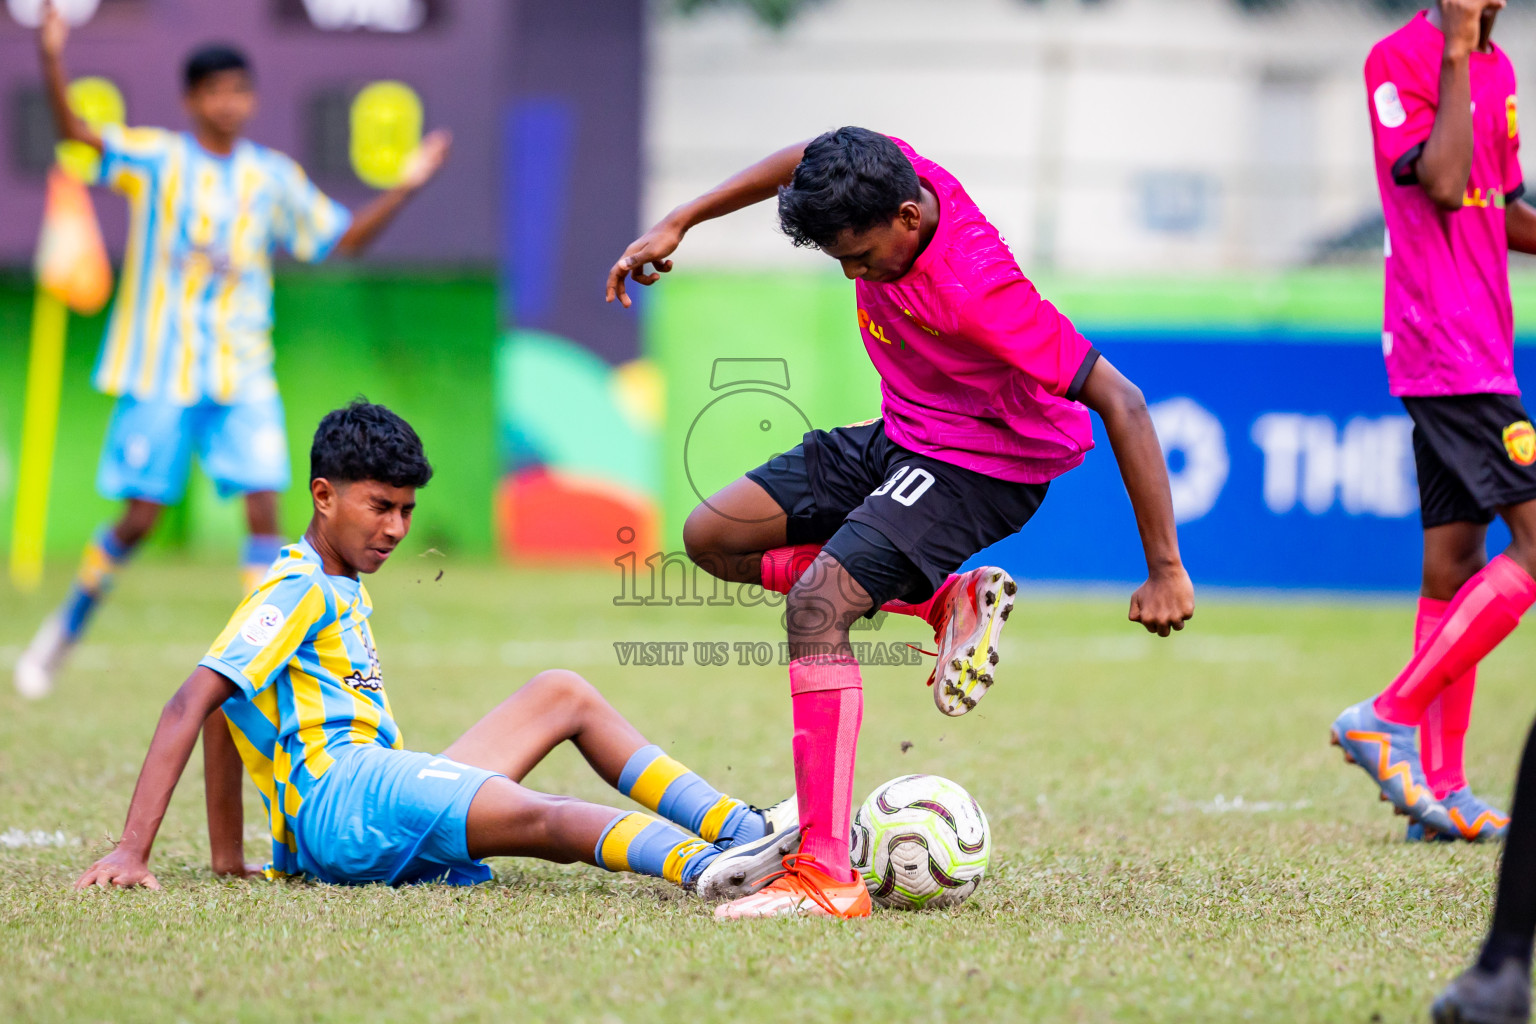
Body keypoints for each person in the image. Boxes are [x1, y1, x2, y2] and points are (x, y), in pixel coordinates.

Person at [606, 127, 1195, 919]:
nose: (853, 273)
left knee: (818, 606)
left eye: (860, 256)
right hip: (907, 432)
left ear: (910, 219)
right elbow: (809, 154)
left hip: (984, 462)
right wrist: (684, 217)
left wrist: (1164, 568)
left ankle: (825, 872)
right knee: (713, 536)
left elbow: (1121, 400)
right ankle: (942, 603)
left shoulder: (981, 293)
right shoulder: (886, 173)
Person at [74, 401, 797, 896]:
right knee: (542, 817)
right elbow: (194, 701)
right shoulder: (296, 588)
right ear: (323, 496)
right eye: (379, 507)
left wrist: (229, 861)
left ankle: (743, 827)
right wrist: (132, 850)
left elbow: (224, 708)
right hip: (348, 801)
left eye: (407, 510)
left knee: (561, 692)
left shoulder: (334, 577)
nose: (395, 528)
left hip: (369, 793)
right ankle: (714, 866)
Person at [14, 0, 451, 699]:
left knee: (263, 510)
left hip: (242, 372)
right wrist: (52, 53)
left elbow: (342, 241)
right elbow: (74, 133)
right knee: (139, 518)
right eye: (218, 91)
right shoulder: (159, 158)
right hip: (161, 368)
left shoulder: (270, 178)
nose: (231, 103)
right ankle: (62, 631)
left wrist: (405, 185)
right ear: (193, 100)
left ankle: (266, 661)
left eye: (241, 91)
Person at [1331, 0, 1536, 844]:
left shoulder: (1500, 66)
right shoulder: (1403, 59)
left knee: (1454, 563)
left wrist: (1471, 53)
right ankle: (1389, 716)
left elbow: (1505, 208)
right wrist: (1455, 50)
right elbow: (1445, 183)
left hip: (1483, 340)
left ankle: (1440, 792)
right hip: (1442, 343)